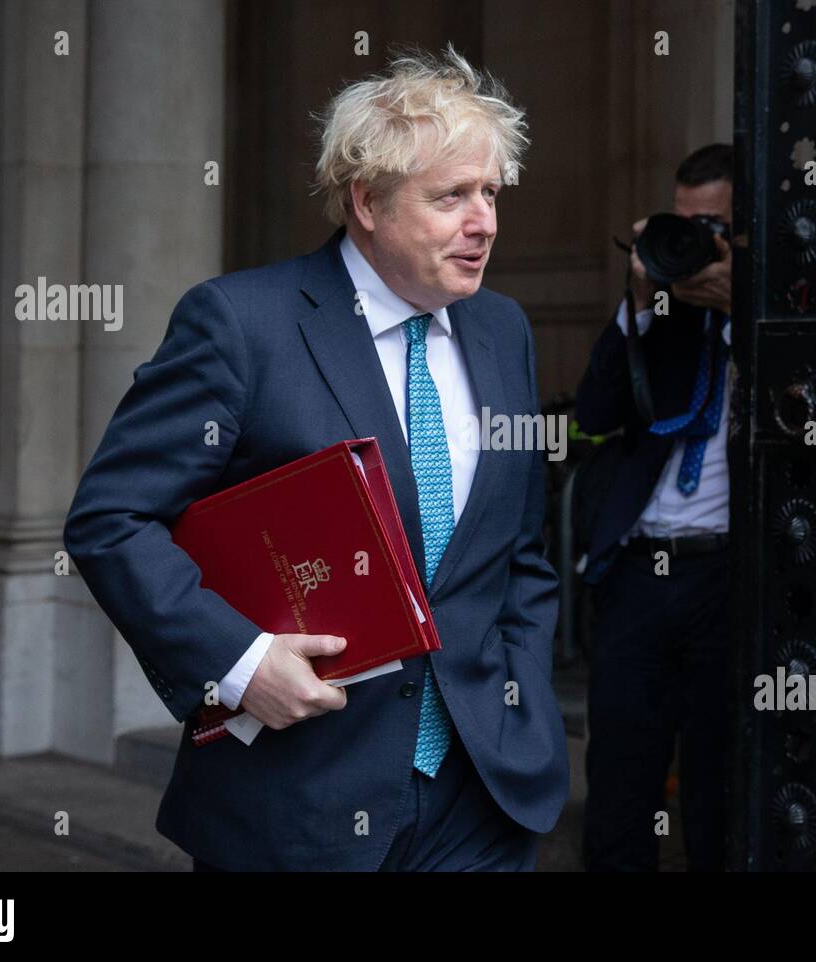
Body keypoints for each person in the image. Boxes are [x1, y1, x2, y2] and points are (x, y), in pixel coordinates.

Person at [63, 45, 568, 872]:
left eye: (490, 193)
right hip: (299, 800)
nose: (486, 223)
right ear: (367, 201)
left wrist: (524, 700)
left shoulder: (501, 329)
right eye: (452, 197)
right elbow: (110, 522)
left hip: (481, 793)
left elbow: (519, 553)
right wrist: (240, 662)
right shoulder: (241, 324)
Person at [574, 143, 735, 871]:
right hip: (638, 573)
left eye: (719, 227)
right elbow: (597, 413)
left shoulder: (790, 310)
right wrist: (639, 305)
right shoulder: (662, 309)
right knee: (618, 784)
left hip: (730, 578)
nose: (701, 243)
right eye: (687, 224)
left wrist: (745, 307)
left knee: (721, 788)